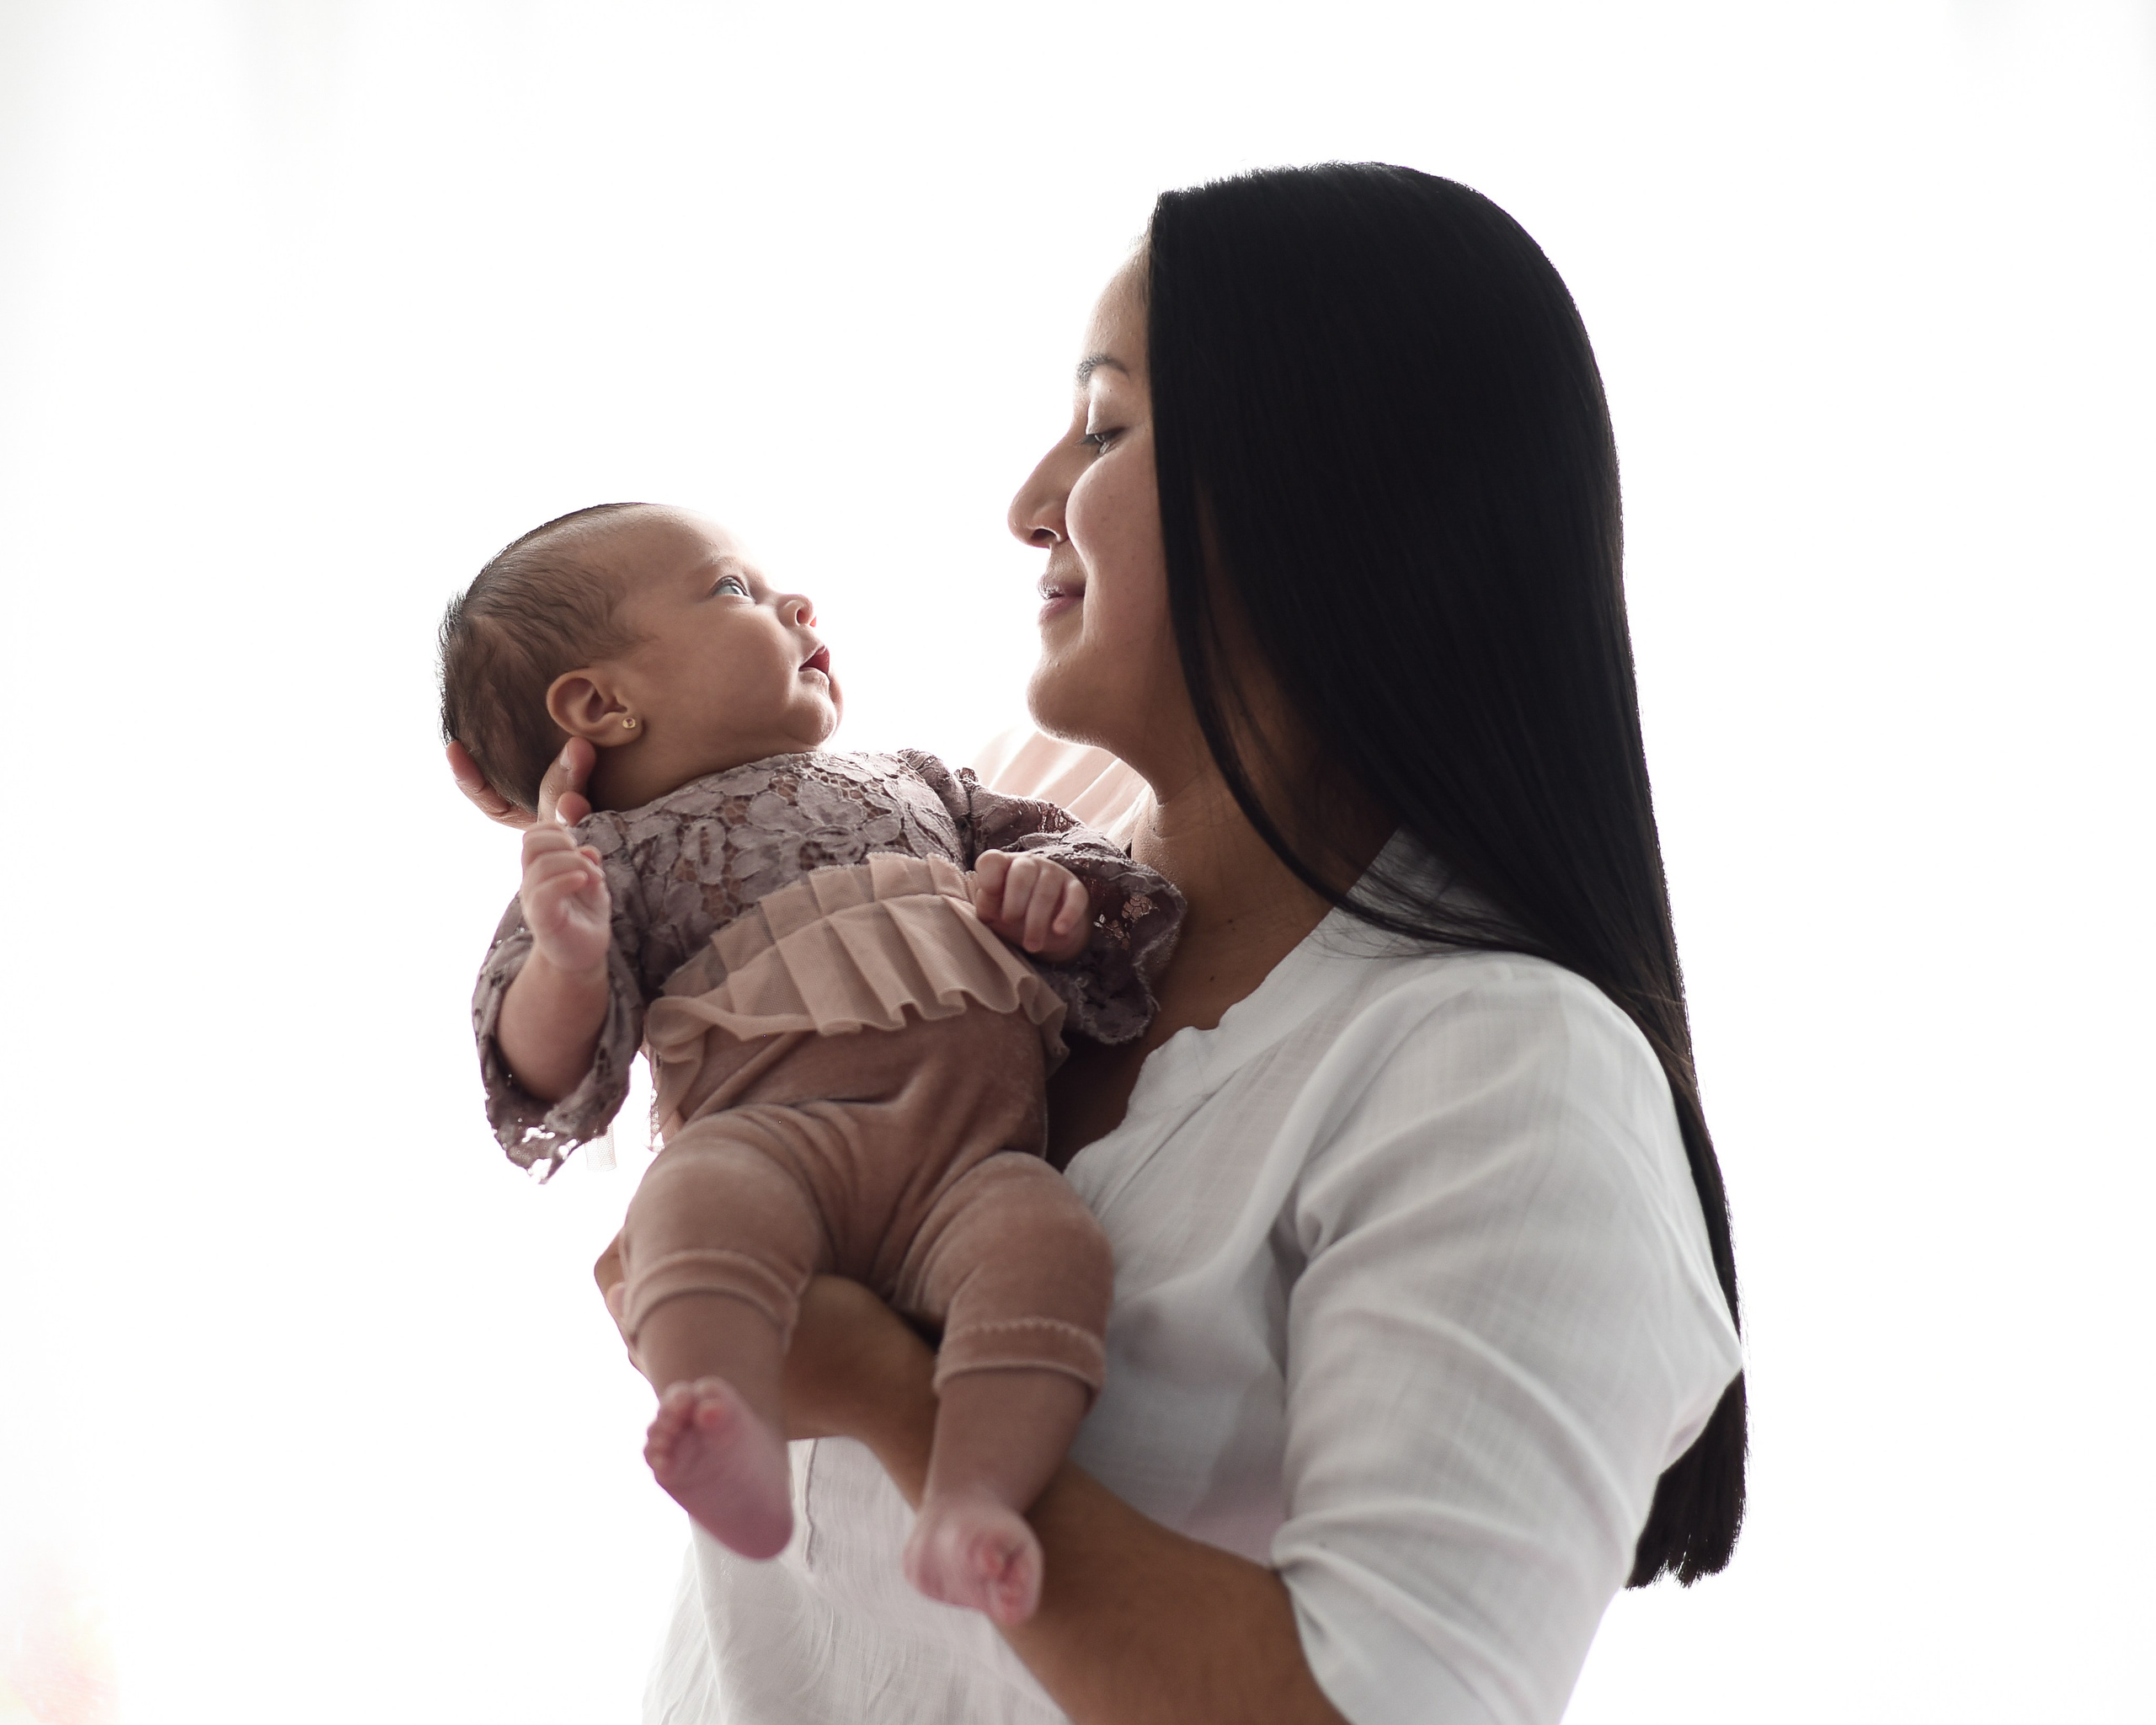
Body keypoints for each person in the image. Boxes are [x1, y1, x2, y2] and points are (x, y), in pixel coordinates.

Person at [452, 161, 1748, 1725]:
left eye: (1108, 424)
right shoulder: (1024, 837)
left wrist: (879, 1390)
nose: (1026, 501)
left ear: (1323, 490)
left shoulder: (1508, 1078)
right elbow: (657, 980)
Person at [440, 504, 1182, 1622]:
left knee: (1049, 1249)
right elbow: (535, 1071)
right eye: (732, 590)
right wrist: (566, 961)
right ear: (601, 705)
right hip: (772, 1142)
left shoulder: (918, 778)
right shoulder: (608, 860)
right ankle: (721, 1421)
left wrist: (1055, 899)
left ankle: (976, 1496)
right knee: (688, 1206)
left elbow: (1061, 850)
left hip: (971, 1163)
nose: (795, 604)